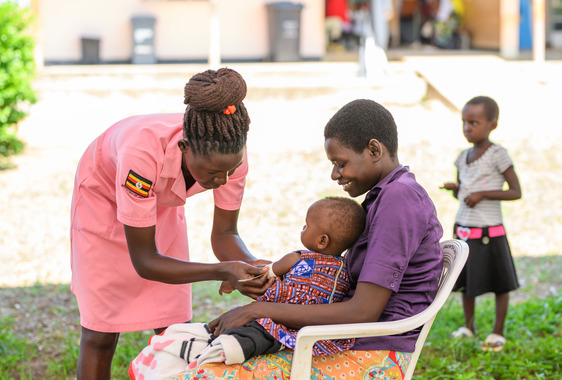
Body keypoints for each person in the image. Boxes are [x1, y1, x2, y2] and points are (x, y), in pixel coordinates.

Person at [163, 98, 444, 379]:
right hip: (341, 341)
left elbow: (363, 311)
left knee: (198, 375)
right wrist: (271, 279)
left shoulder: (398, 198)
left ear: (373, 149)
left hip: (372, 354)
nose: (335, 174)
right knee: (197, 359)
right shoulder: (385, 196)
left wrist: (259, 310)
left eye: (340, 163)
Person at [70, 68, 270, 380]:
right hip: (103, 202)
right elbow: (146, 262)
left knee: (174, 327)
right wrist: (223, 269)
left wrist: (254, 267)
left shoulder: (228, 157)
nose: (222, 180)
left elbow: (225, 234)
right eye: (212, 173)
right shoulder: (141, 154)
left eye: (229, 171)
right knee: (101, 332)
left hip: (161, 203)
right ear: (183, 147)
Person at [129, 196, 366, 379]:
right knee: (262, 337)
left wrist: (235, 280)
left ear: (322, 241)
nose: (302, 229)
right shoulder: (345, 271)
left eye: (306, 226)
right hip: (309, 333)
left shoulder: (297, 258)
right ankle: (226, 347)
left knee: (255, 328)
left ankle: (218, 349)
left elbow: (263, 276)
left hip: (278, 318)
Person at [441, 95, 521, 352]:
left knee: (500, 281)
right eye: (464, 122)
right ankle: (469, 327)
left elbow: (515, 191)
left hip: (490, 230)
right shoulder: (462, 157)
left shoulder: (498, 154)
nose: (468, 127)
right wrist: (456, 189)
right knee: (468, 281)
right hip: (464, 228)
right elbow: (463, 194)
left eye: (474, 122)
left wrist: (483, 194)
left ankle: (497, 331)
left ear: (492, 125)